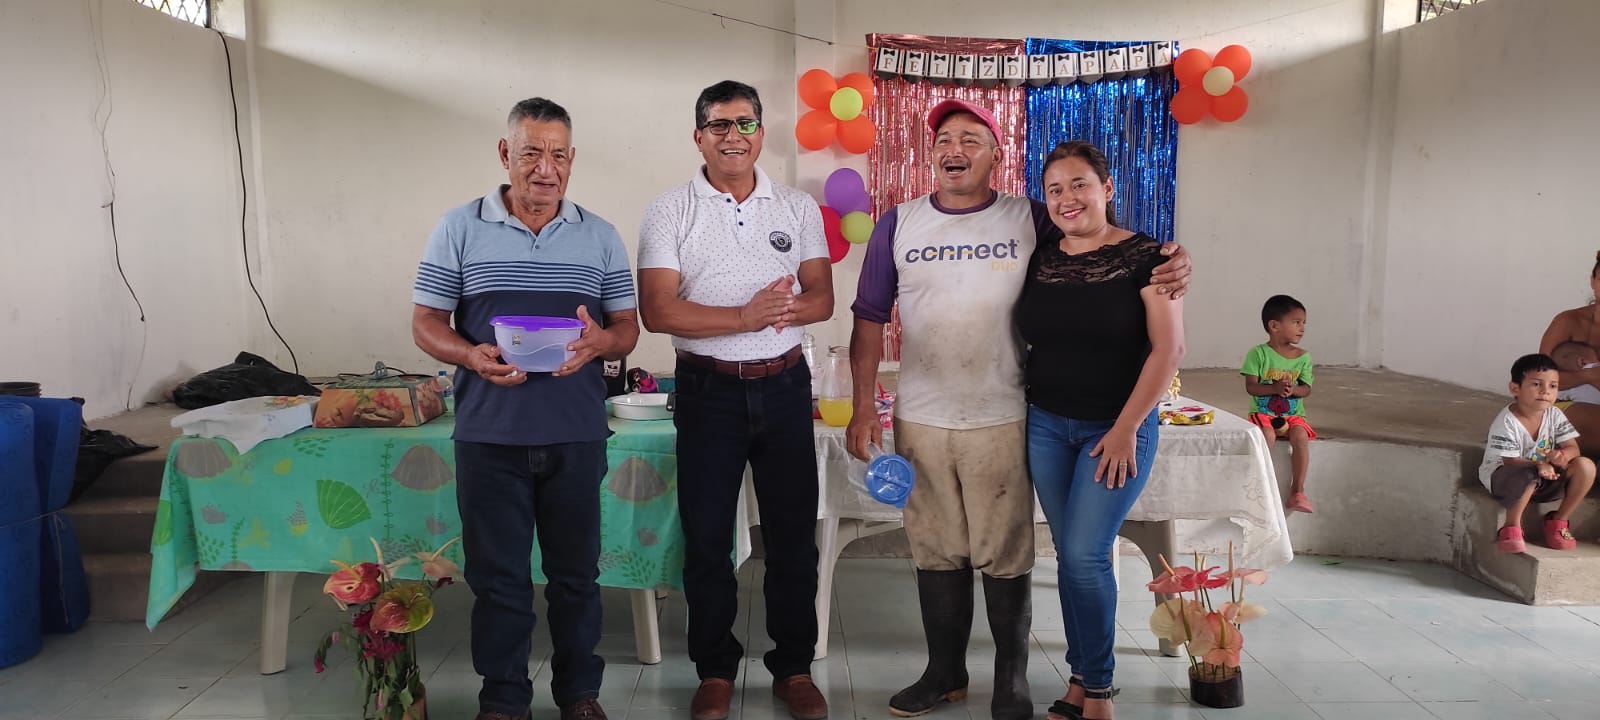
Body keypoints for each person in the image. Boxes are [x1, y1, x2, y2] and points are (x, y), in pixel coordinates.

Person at [847, 102, 1191, 720]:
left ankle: (1014, 677)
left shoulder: (1029, 217)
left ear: (997, 155)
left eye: (971, 139)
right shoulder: (898, 223)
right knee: (934, 547)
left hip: (1004, 413)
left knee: (1009, 550)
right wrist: (862, 405)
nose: (955, 149)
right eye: (943, 139)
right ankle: (944, 671)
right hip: (923, 414)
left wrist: (1171, 257)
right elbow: (869, 317)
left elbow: (1100, 242)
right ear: (931, 152)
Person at [410, 97, 638, 720]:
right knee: (498, 580)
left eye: (558, 155)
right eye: (531, 152)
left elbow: (627, 329)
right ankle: (503, 700)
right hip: (490, 434)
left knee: (576, 577)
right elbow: (426, 321)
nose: (545, 168)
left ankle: (579, 696)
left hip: (575, 432)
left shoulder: (600, 235)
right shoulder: (459, 227)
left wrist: (602, 342)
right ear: (505, 154)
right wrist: (469, 354)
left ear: (572, 160)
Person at [636, 80, 834, 720]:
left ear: (760, 134)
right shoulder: (670, 211)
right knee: (707, 539)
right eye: (719, 125)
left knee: (792, 537)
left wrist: (785, 310)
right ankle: (715, 670)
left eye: (745, 123)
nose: (733, 136)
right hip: (706, 391)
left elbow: (822, 297)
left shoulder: (796, 207)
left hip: (785, 386)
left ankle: (794, 668)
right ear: (699, 137)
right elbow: (658, 310)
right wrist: (746, 316)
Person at [1019, 141, 1184, 720]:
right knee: (1070, 558)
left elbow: (1169, 350)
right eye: (1055, 189)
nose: (1067, 198)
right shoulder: (1041, 257)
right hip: (1046, 426)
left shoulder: (1149, 258)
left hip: (1115, 428)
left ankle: (1100, 694)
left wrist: (1125, 427)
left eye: (1080, 184)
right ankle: (1080, 680)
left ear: (1106, 189)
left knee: (1086, 556)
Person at [1479, 354, 1597, 553]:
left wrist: (1562, 456)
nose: (1545, 391)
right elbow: (1510, 460)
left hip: (1547, 476)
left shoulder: (1555, 414)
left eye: (1553, 386)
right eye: (1536, 384)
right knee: (1529, 473)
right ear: (1515, 389)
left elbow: (1573, 448)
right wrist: (1539, 464)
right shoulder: (1507, 421)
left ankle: (1558, 521)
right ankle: (1512, 526)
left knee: (1586, 466)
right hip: (1508, 478)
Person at [1241, 295, 1317, 513]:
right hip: (1263, 413)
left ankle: (1298, 492)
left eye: (1304, 323)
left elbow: (1306, 389)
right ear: (1274, 326)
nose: (1302, 328)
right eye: (1296, 322)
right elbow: (1251, 387)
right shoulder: (1258, 354)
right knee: (1266, 435)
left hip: (1293, 416)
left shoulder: (1303, 357)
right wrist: (1274, 388)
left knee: (1300, 437)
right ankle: (1256, 486)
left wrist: (1293, 390)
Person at [1538, 251, 1600, 456]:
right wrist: (1588, 376)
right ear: (1593, 281)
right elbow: (1537, 381)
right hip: (1562, 407)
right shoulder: (1568, 321)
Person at [1550, 340, 1600, 405]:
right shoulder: (1592, 366)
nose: (1598, 360)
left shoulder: (1566, 389)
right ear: (1582, 362)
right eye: (1597, 357)